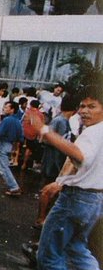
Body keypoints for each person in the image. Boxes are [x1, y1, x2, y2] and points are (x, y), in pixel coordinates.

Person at [27, 86, 103, 270]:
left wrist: (45, 131)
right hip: (95, 198)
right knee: (76, 245)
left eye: (92, 106)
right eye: (82, 106)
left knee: (48, 251)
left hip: (76, 198)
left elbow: (79, 156)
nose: (84, 111)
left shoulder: (92, 133)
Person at [33, 94, 77, 228]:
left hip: (57, 161)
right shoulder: (60, 121)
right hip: (53, 161)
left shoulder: (64, 121)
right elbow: (47, 139)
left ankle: (45, 218)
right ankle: (41, 219)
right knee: (48, 190)